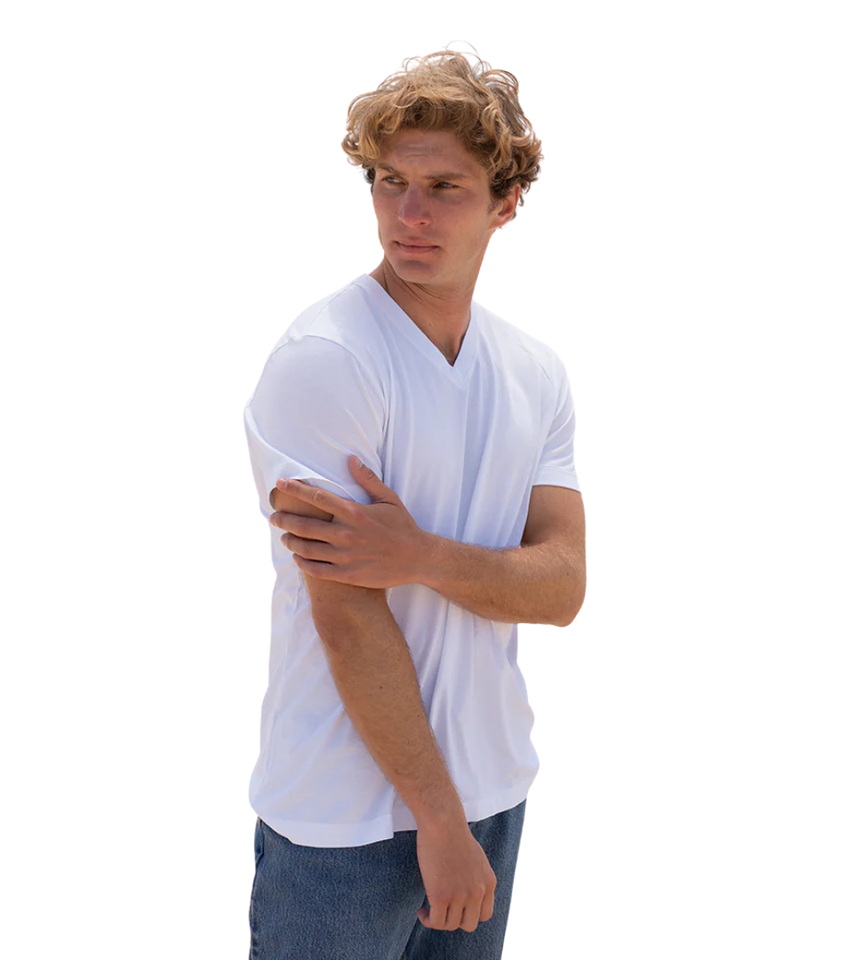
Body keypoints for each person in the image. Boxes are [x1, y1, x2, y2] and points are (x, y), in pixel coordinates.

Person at [244, 49, 586, 960]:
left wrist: (420, 556)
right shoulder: (328, 359)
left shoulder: (534, 372)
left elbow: (562, 587)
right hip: (343, 822)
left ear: (505, 203)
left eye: (444, 188)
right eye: (390, 182)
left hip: (493, 792)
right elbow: (348, 616)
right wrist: (437, 821)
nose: (410, 215)